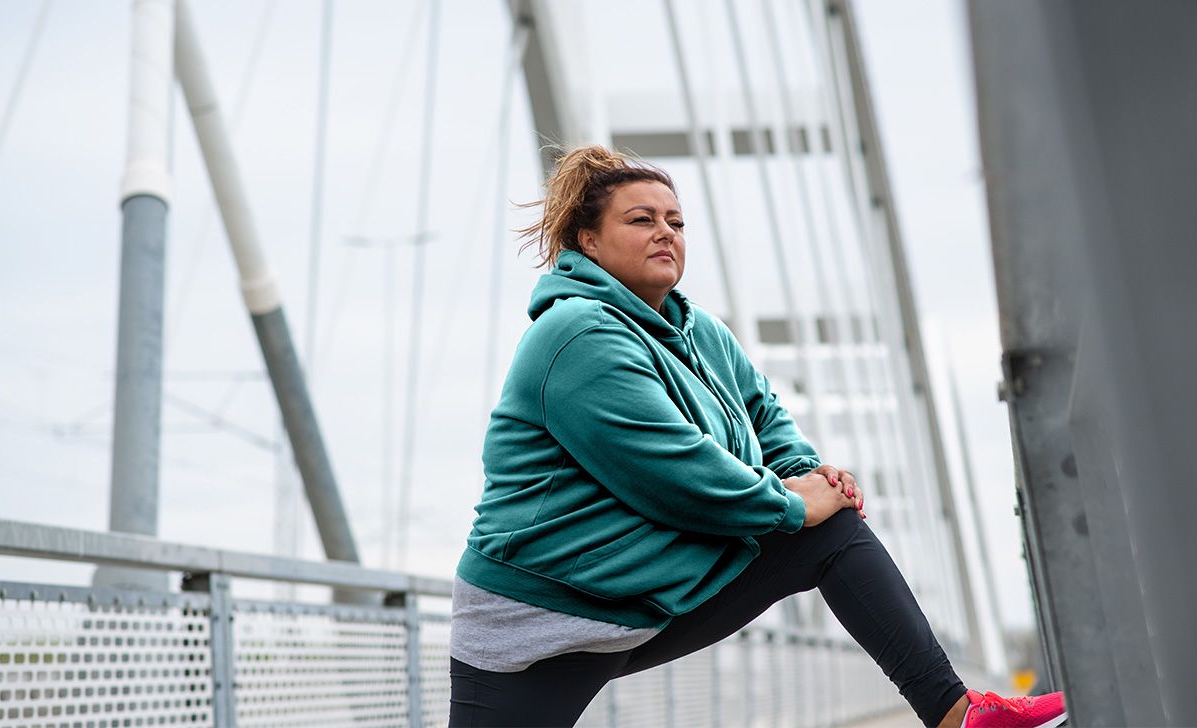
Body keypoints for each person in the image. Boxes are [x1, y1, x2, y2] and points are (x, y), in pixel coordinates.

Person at [449, 145, 1067, 728]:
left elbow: (766, 416)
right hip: (540, 618)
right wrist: (794, 504)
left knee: (831, 531)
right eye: (642, 220)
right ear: (587, 240)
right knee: (810, 523)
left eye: (677, 221)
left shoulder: (702, 333)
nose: (666, 232)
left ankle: (958, 715)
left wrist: (811, 473)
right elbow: (676, 474)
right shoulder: (575, 335)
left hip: (646, 591)